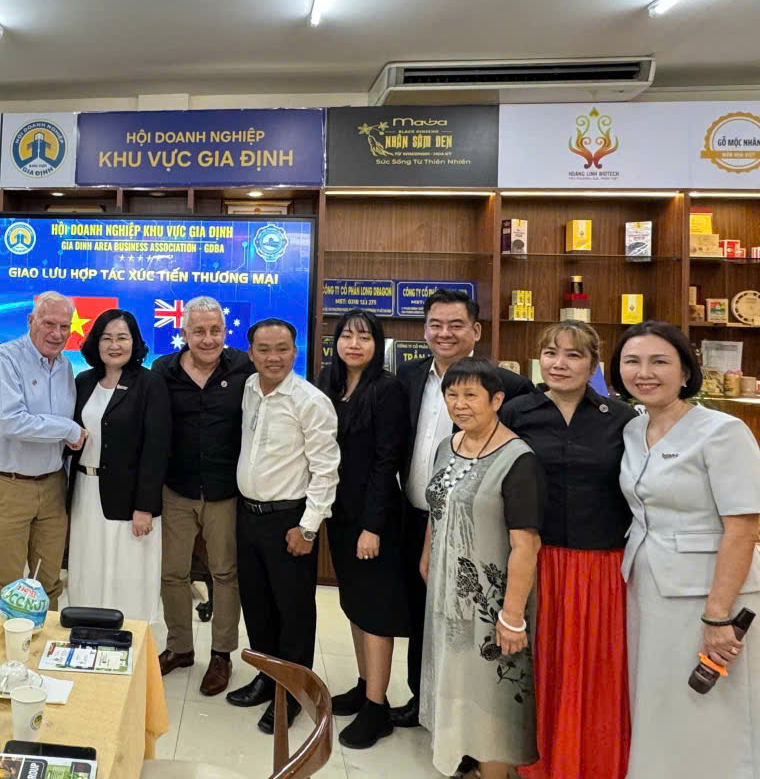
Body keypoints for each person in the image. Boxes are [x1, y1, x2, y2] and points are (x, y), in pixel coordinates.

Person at [612, 321, 760, 778]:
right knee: (660, 704)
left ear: (685, 371)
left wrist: (717, 615)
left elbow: (743, 527)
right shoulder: (634, 429)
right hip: (647, 586)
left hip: (709, 594)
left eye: (659, 361)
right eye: (632, 361)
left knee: (712, 712)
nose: (644, 373)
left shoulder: (722, 430)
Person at [394, 289, 534, 729]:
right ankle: (423, 700)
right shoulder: (408, 376)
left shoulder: (508, 386)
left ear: (476, 330)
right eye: (435, 325)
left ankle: (472, 720)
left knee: (471, 625)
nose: (444, 333)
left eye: (456, 325)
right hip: (418, 518)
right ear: (424, 330)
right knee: (423, 616)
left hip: (479, 531)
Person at [501, 322, 636, 779]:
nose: (559, 364)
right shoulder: (517, 412)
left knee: (594, 668)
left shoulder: (622, 418)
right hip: (533, 559)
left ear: (594, 364)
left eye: (574, 355)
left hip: (600, 565)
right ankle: (532, 762)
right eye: (551, 353)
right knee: (537, 665)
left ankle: (591, 762)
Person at [420, 358, 545, 779]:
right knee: (458, 682)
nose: (460, 404)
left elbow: (526, 544)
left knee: (491, 694)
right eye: (452, 395)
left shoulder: (518, 458)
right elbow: (437, 505)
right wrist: (427, 554)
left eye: (471, 395)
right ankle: (465, 761)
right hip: (445, 590)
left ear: (496, 400)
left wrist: (512, 616)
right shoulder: (447, 446)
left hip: (490, 604)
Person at [226, 318, 339, 735]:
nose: (273, 357)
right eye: (264, 349)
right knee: (257, 606)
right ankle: (267, 677)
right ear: (250, 353)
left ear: (295, 351)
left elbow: (326, 470)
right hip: (248, 516)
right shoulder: (248, 389)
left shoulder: (310, 401)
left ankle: (293, 694)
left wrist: (308, 528)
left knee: (294, 613)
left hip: (289, 521)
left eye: (282, 349)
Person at [315, 309, 410, 749]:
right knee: (353, 603)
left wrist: (372, 526)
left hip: (375, 518)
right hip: (339, 511)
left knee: (374, 611)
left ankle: (377, 707)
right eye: (347, 336)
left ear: (377, 344)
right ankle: (363, 683)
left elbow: (387, 461)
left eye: (365, 337)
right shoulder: (329, 383)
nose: (355, 344)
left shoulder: (387, 390)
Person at [151, 295, 253, 696]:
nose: (208, 339)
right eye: (199, 331)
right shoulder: (163, 370)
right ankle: (180, 647)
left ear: (225, 332)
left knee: (225, 573)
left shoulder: (244, 366)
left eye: (215, 330)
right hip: (176, 489)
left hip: (225, 491)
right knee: (172, 573)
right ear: (184, 333)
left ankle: (222, 654)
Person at [66, 309, 171, 649]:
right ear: (95, 343)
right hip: (85, 491)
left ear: (134, 342)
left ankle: (131, 640)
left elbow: (156, 448)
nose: (114, 345)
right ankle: (87, 634)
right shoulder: (83, 381)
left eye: (122, 337)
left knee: (128, 570)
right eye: (107, 338)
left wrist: (145, 507)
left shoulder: (149, 383)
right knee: (88, 565)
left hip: (130, 498)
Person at [0, 292, 85, 608]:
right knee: (7, 584)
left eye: (64, 326)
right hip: (9, 486)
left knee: (49, 583)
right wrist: (68, 430)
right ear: (30, 321)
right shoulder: (6, 357)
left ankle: (45, 639)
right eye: (49, 323)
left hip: (53, 486)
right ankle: (4, 640)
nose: (57, 333)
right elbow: (12, 422)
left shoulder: (66, 366)